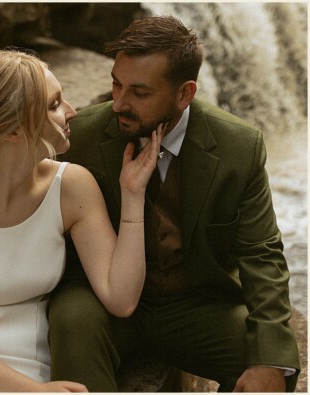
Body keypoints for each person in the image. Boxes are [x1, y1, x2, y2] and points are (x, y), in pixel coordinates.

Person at [48, 15, 300, 392]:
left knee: (269, 359)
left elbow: (261, 253)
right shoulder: (80, 138)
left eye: (139, 92)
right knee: (71, 317)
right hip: (103, 303)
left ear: (185, 94)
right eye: (116, 85)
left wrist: (270, 359)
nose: (118, 103)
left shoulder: (239, 146)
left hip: (198, 308)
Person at [0, 49, 163, 392]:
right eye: (54, 105)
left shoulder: (71, 186)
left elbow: (121, 298)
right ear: (11, 129)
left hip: (33, 359)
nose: (72, 112)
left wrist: (133, 195)